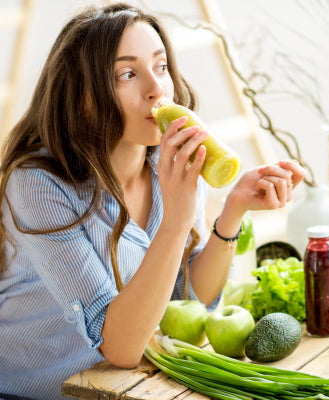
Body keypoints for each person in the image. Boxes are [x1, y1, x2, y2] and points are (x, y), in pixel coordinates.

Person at [0, 3, 305, 400]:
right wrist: (177, 220)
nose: (157, 88)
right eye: (128, 74)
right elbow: (121, 346)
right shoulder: (37, 185)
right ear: (84, 97)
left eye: (160, 67)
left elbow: (179, 301)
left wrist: (232, 212)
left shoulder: (168, 162)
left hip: (122, 389)